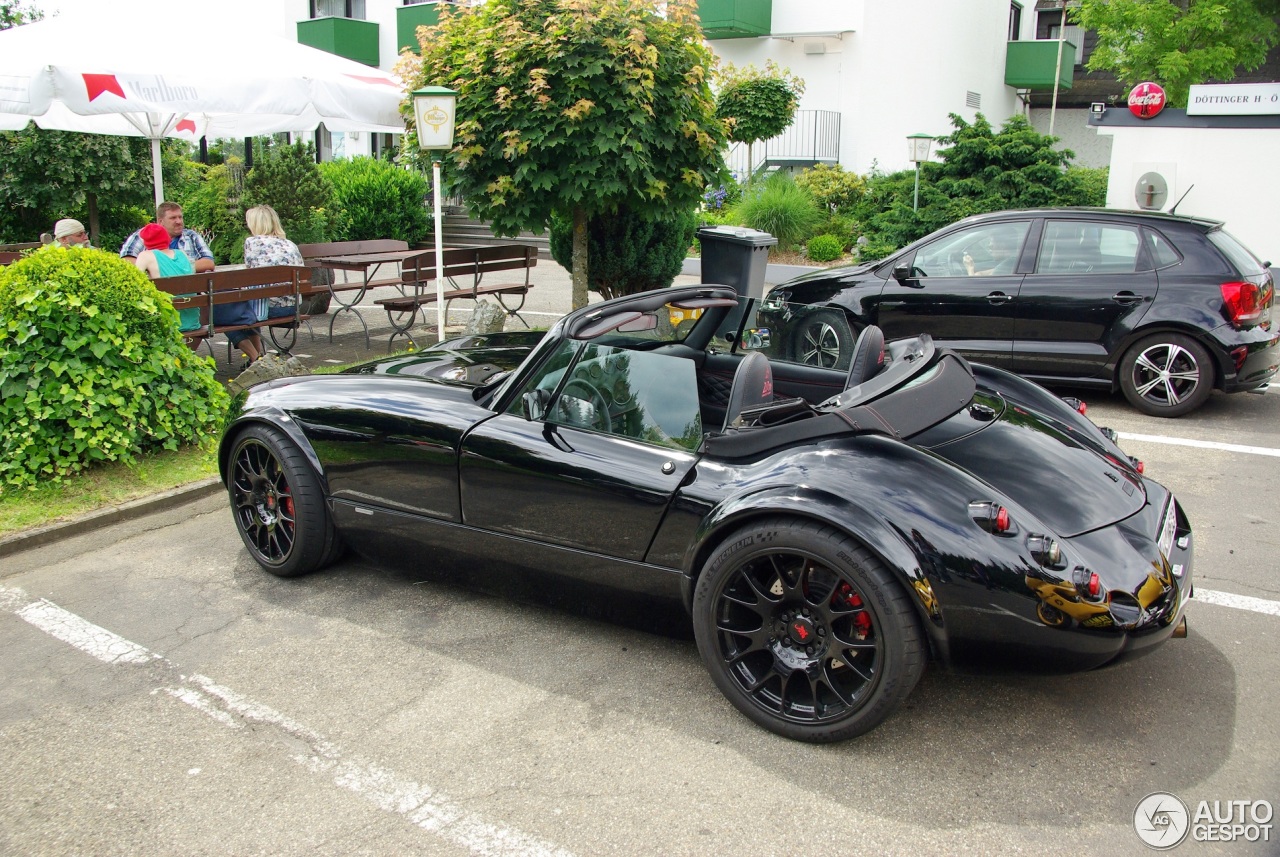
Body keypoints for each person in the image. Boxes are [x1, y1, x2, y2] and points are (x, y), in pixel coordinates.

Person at [133, 222, 200, 334]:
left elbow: (135, 281)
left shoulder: (146, 256)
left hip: (167, 323)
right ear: (166, 238)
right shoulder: (182, 254)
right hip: (192, 322)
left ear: (146, 241)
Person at [120, 202, 214, 272]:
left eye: (180, 217)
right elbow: (126, 260)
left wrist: (170, 268)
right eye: (173, 218)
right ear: (160, 222)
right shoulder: (144, 235)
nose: (178, 221)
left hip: (187, 293)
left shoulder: (191, 236)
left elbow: (208, 262)